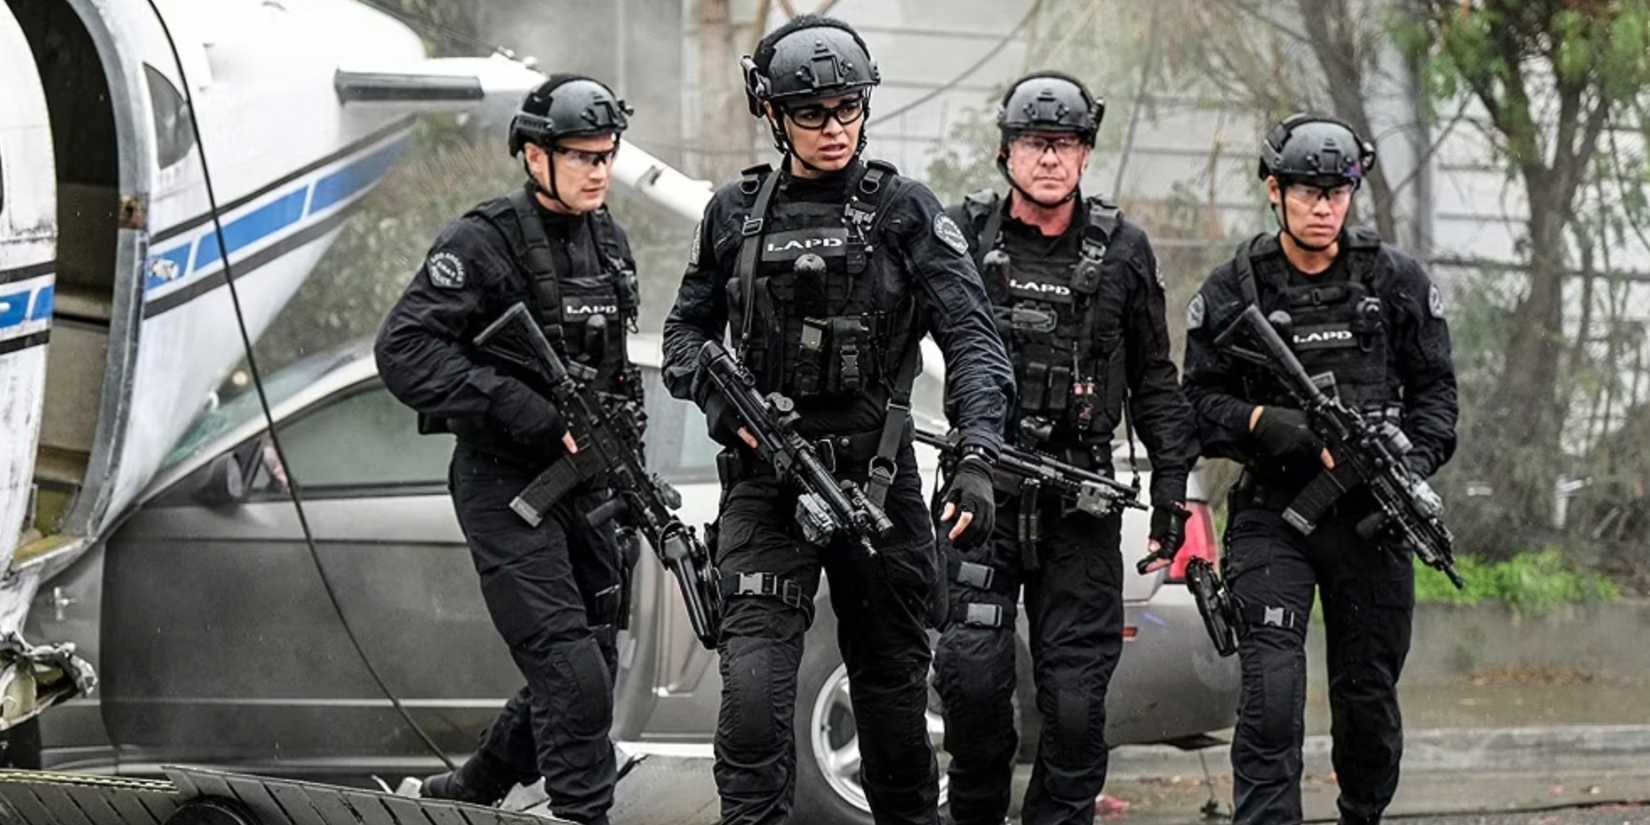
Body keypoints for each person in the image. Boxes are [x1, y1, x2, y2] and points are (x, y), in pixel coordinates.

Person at [660, 14, 1015, 825]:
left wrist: (977, 454)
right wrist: (726, 404)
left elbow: (973, 338)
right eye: (812, 112)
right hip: (763, 488)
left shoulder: (904, 211)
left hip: (878, 484)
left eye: (849, 108)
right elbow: (683, 334)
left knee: (893, 715)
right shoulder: (734, 214)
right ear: (775, 114)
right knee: (752, 702)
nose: (834, 128)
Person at [374, 75, 643, 825]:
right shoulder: (482, 241)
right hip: (507, 489)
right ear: (533, 154)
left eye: (607, 155)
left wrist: (628, 467)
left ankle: (473, 789)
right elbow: (402, 351)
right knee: (571, 674)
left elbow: (619, 370)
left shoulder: (608, 240)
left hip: (588, 485)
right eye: (581, 156)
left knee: (590, 665)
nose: (598, 170)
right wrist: (520, 407)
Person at [933, 72, 1198, 825]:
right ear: (1006, 151)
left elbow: (1154, 380)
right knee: (975, 691)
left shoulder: (1124, 252)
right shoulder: (964, 236)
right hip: (981, 494)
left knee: (1078, 708)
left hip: (1080, 500)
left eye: (1066, 143)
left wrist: (1171, 490)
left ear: (1086, 154)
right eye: (1034, 143)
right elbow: (895, 346)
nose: (1050, 158)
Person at [1181, 114, 1458, 824]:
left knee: (1367, 701)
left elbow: (1437, 400)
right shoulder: (1235, 287)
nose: (1324, 205)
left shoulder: (1395, 280)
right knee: (1272, 696)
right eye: (1308, 190)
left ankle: (1362, 811)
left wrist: (1406, 460)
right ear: (1275, 190)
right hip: (1276, 514)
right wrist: (1268, 424)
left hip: (1370, 517)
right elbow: (1196, 402)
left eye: (1338, 191)